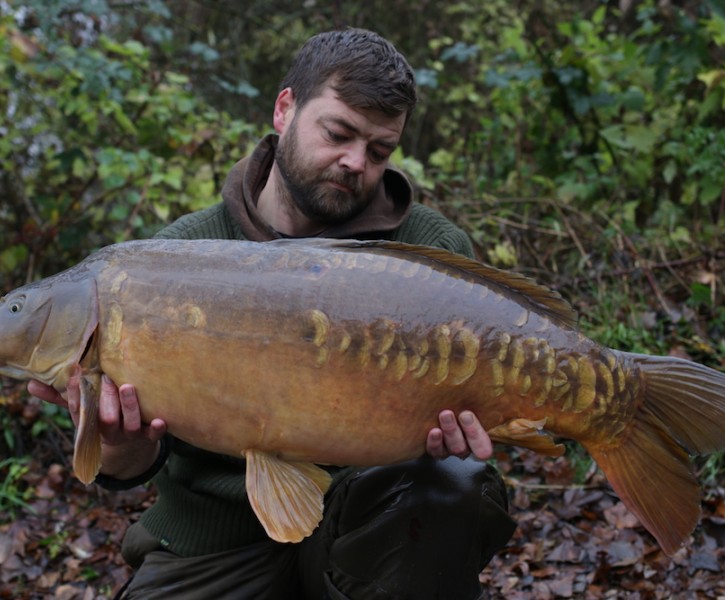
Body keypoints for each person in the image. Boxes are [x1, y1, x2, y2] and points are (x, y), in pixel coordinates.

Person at [30, 28, 516, 599]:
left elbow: (486, 403)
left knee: (453, 485)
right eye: (338, 134)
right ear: (285, 109)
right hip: (217, 540)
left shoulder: (430, 249)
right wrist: (117, 439)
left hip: (372, 528)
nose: (356, 162)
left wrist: (470, 427)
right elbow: (132, 463)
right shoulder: (175, 257)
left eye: (380, 150)